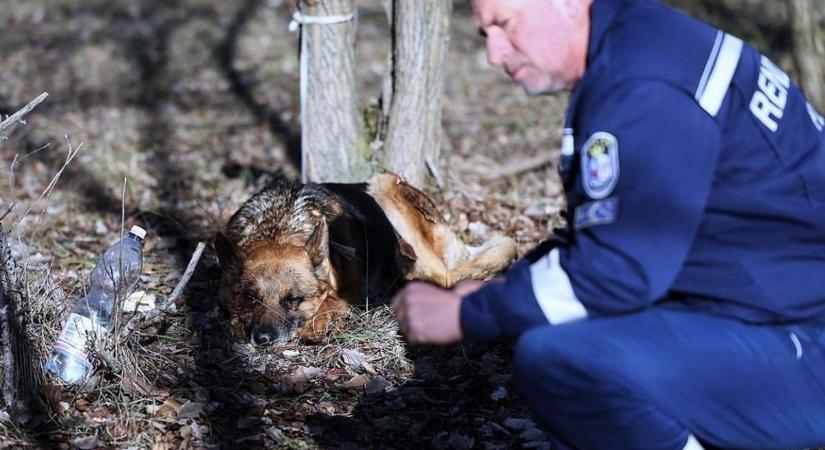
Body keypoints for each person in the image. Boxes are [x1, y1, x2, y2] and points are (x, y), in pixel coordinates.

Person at [391, 0, 825, 448]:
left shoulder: (641, 82)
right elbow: (616, 234)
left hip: (802, 338)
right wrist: (508, 290)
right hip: (773, 307)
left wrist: (468, 313)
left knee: (561, 361)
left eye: (505, 24)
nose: (496, 54)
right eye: (486, 35)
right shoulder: (644, 41)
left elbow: (619, 269)